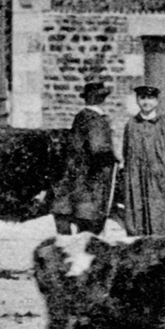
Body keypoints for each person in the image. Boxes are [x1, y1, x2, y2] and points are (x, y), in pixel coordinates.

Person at [116, 84, 165, 237]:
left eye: (150, 98)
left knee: (162, 219)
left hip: (161, 181)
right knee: (137, 220)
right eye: (142, 98)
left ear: (157, 101)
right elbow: (126, 152)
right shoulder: (132, 125)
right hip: (137, 181)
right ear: (137, 100)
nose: (146, 102)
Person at [51, 79, 118, 236]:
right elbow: (98, 148)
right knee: (89, 222)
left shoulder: (80, 116)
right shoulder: (96, 119)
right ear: (101, 99)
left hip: (73, 177)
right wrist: (113, 158)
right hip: (90, 180)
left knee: (67, 218)